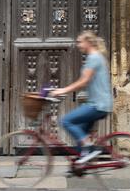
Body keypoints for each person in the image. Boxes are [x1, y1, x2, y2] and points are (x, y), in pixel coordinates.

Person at [51, 31, 113, 164]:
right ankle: (81, 166)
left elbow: (84, 81)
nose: (78, 45)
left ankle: (89, 147)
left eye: (80, 42)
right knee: (81, 133)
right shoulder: (96, 57)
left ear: (88, 42)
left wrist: (63, 90)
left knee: (66, 121)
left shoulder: (94, 58)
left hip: (97, 105)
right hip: (98, 103)